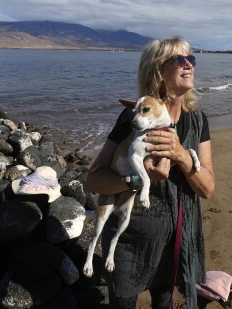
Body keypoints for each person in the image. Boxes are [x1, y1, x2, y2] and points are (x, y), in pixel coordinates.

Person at [86, 38, 215, 309]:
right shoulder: (133, 119)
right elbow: (94, 179)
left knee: (164, 301)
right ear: (158, 71)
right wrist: (136, 180)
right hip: (130, 241)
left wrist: (181, 155)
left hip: (176, 238)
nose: (189, 65)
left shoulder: (198, 119)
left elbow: (207, 188)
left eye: (191, 59)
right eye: (180, 60)